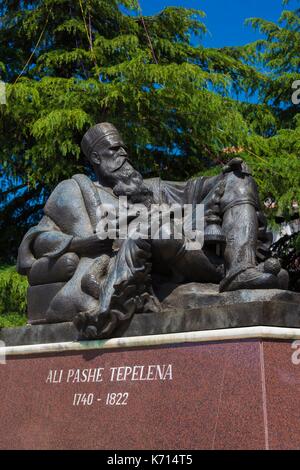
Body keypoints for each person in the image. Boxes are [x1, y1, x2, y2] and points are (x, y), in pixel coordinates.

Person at [17, 123, 284, 338]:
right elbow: (39, 240)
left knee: (237, 181)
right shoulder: (77, 190)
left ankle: (241, 269)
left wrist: (228, 176)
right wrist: (81, 243)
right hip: (144, 265)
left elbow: (195, 188)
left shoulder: (150, 188)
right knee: (158, 227)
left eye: (124, 148)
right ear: (96, 158)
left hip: (193, 252)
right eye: (114, 150)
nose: (123, 154)